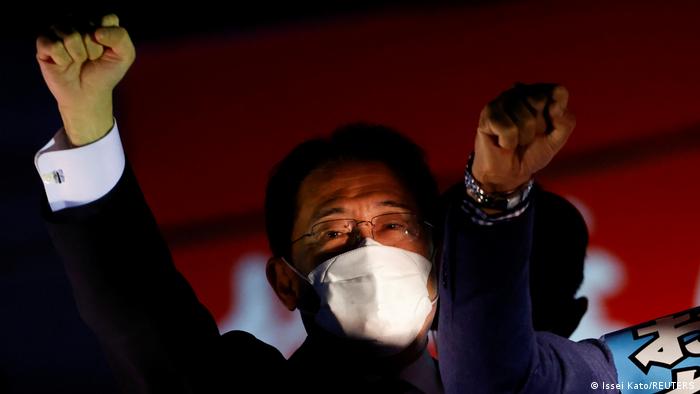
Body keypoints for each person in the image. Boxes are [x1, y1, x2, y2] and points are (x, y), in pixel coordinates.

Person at [35, 14, 620, 393]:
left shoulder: (522, 379)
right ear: (286, 283)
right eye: (333, 231)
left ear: (441, 261)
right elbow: (140, 314)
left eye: (394, 224)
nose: (368, 246)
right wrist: (87, 125)